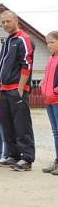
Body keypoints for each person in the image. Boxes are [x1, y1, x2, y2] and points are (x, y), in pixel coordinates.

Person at [0, 10, 35, 172]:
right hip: (4, 90)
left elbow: (27, 63)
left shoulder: (22, 39)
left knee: (21, 125)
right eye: (3, 22)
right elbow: (3, 68)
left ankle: (26, 159)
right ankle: (13, 155)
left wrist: (20, 88)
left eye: (8, 21)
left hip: (17, 90)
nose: (5, 24)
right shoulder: (8, 40)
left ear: (16, 20)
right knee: (8, 125)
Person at [39, 30, 58, 174]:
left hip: (57, 99)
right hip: (48, 100)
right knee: (55, 132)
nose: (49, 45)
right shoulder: (51, 59)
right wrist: (42, 84)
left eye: (52, 42)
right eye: (47, 43)